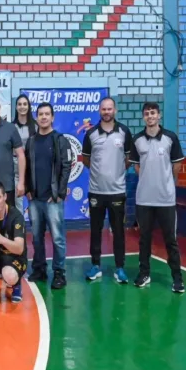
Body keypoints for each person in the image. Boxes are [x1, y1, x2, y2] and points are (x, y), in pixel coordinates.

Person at [129, 102, 185, 292]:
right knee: (144, 238)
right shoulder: (137, 139)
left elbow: (177, 165)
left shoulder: (170, 137)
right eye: (147, 113)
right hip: (144, 199)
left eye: (153, 113)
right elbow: (137, 166)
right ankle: (144, 273)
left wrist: (167, 182)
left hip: (166, 199)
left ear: (159, 115)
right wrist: (148, 180)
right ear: (143, 117)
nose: (150, 116)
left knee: (170, 240)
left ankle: (177, 278)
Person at [82, 97, 133, 283]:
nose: (106, 112)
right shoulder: (91, 134)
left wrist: (116, 172)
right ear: (99, 111)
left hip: (117, 191)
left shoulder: (124, 132)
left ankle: (119, 268)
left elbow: (128, 159)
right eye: (103, 109)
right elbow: (85, 159)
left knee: (118, 231)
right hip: (96, 191)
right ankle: (95, 266)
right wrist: (100, 173)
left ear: (115, 110)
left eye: (109, 109)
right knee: (95, 230)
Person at [24, 103, 71, 289]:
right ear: (36, 118)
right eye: (40, 114)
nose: (43, 117)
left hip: (53, 200)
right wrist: (27, 189)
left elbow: (66, 167)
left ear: (52, 117)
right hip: (35, 199)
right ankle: (40, 269)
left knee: (57, 238)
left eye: (47, 114)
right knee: (36, 237)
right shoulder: (31, 141)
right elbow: (26, 167)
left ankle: (59, 273)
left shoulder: (60, 140)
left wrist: (59, 193)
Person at [12, 95, 37, 213]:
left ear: (29, 106)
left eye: (25, 104)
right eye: (19, 104)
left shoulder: (36, 126)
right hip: (16, 170)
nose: (22, 107)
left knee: (35, 206)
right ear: (16, 107)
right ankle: (19, 226)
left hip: (32, 170)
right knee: (18, 205)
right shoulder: (11, 127)